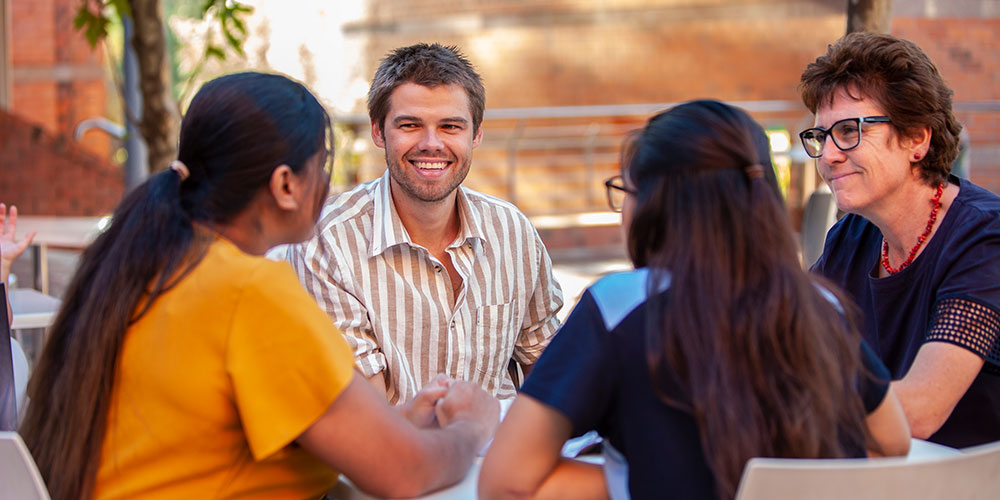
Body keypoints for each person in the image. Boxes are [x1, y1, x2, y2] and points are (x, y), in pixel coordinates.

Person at [20, 72, 499, 500]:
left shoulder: (156, 263)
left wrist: (397, 424)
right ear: (286, 184)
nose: (328, 186)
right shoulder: (249, 289)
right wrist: (474, 427)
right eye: (323, 164)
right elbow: (402, 474)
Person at [479, 100, 910, 500]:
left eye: (626, 191)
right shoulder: (820, 304)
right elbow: (892, 440)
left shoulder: (618, 305)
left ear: (656, 203)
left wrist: (636, 478)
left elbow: (505, 480)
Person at [289, 43, 563, 405]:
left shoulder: (512, 230)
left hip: (502, 451)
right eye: (410, 125)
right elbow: (367, 418)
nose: (432, 144)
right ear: (378, 131)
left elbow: (546, 367)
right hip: (388, 456)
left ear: (476, 134)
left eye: (450, 126)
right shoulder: (329, 241)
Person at [800, 32, 1000, 448]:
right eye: (821, 137)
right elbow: (785, 338)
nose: (829, 155)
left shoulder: (985, 238)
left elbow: (922, 410)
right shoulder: (851, 237)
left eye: (850, 131)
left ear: (916, 139)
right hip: (891, 473)